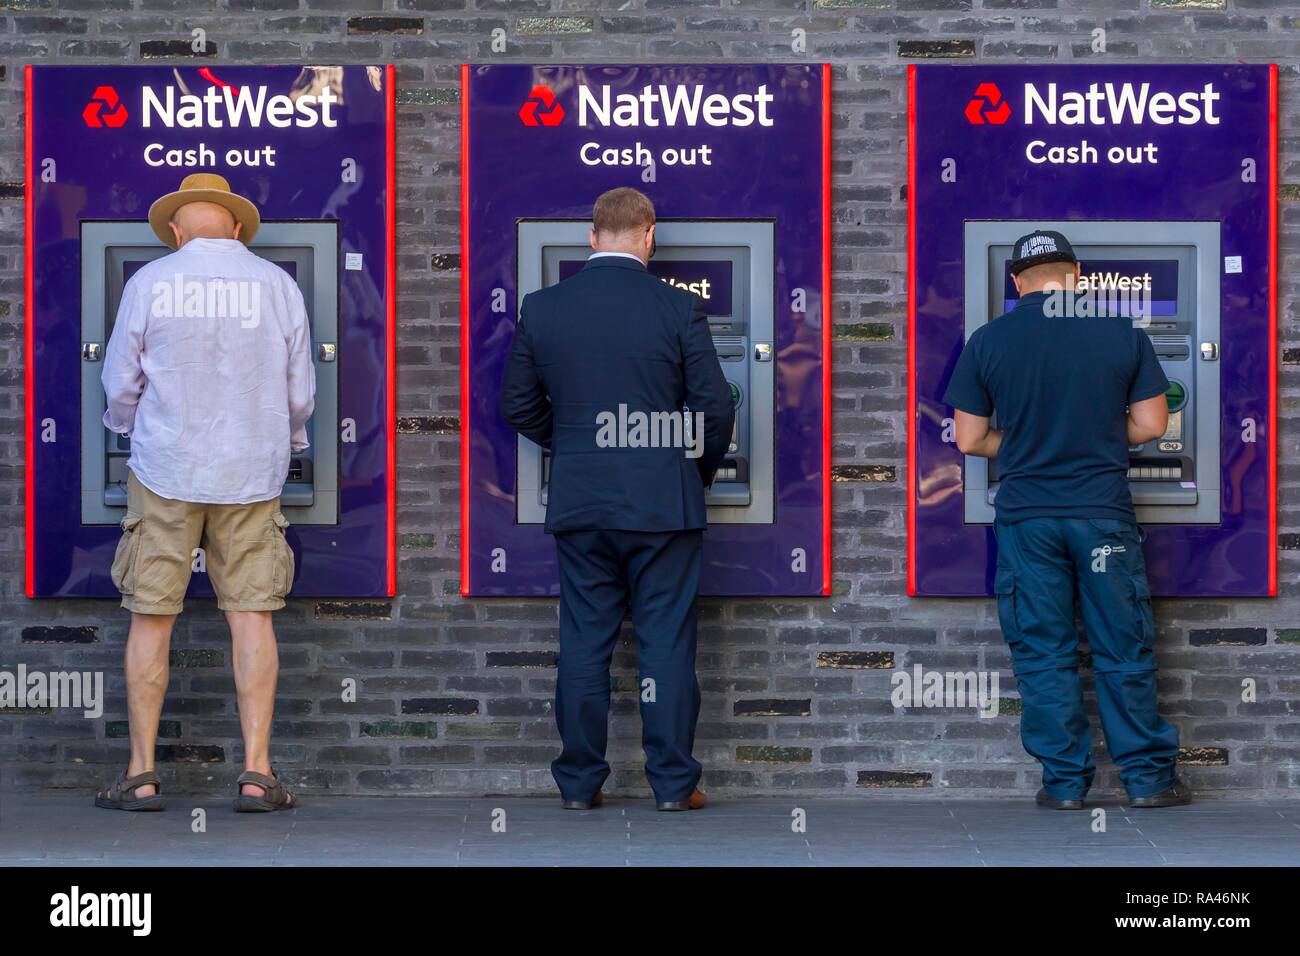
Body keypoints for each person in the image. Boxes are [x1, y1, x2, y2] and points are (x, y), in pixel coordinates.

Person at [499, 187, 735, 811]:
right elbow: (715, 406)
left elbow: (516, 405)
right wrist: (695, 469)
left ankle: (578, 786)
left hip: (582, 503)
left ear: (591, 236)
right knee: (666, 646)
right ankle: (673, 787)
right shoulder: (677, 309)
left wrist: (576, 445)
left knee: (583, 644)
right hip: (664, 506)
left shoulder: (543, 308)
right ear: (649, 234)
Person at [943, 229, 1191, 810]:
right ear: (1077, 277)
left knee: (1043, 649)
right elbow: (1154, 426)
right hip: (1101, 513)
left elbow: (969, 438)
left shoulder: (989, 341)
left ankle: (1064, 785)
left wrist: (1029, 443)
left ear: (1016, 283)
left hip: (1029, 518)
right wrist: (1097, 440)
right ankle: (1148, 782)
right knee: (1121, 644)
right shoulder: (1121, 333)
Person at [94, 173, 316, 813]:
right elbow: (299, 391)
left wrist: (131, 428)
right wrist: (285, 439)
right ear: (240, 229)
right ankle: (256, 775)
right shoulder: (277, 285)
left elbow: (119, 382)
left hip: (165, 470)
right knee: (251, 615)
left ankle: (141, 775)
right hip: (251, 472)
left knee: (151, 617)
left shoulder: (150, 282)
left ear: (175, 230)